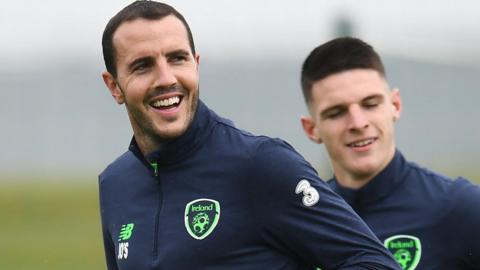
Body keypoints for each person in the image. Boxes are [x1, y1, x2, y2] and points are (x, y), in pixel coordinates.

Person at [98, 1, 401, 270]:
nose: (166, 79)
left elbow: (373, 263)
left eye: (178, 58)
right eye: (143, 66)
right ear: (114, 87)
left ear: (196, 65)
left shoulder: (260, 164)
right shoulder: (115, 184)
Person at [300, 37, 480, 270]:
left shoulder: (461, 208)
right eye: (336, 112)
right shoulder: (305, 220)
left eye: (370, 104)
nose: (358, 123)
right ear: (312, 129)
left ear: (395, 105)